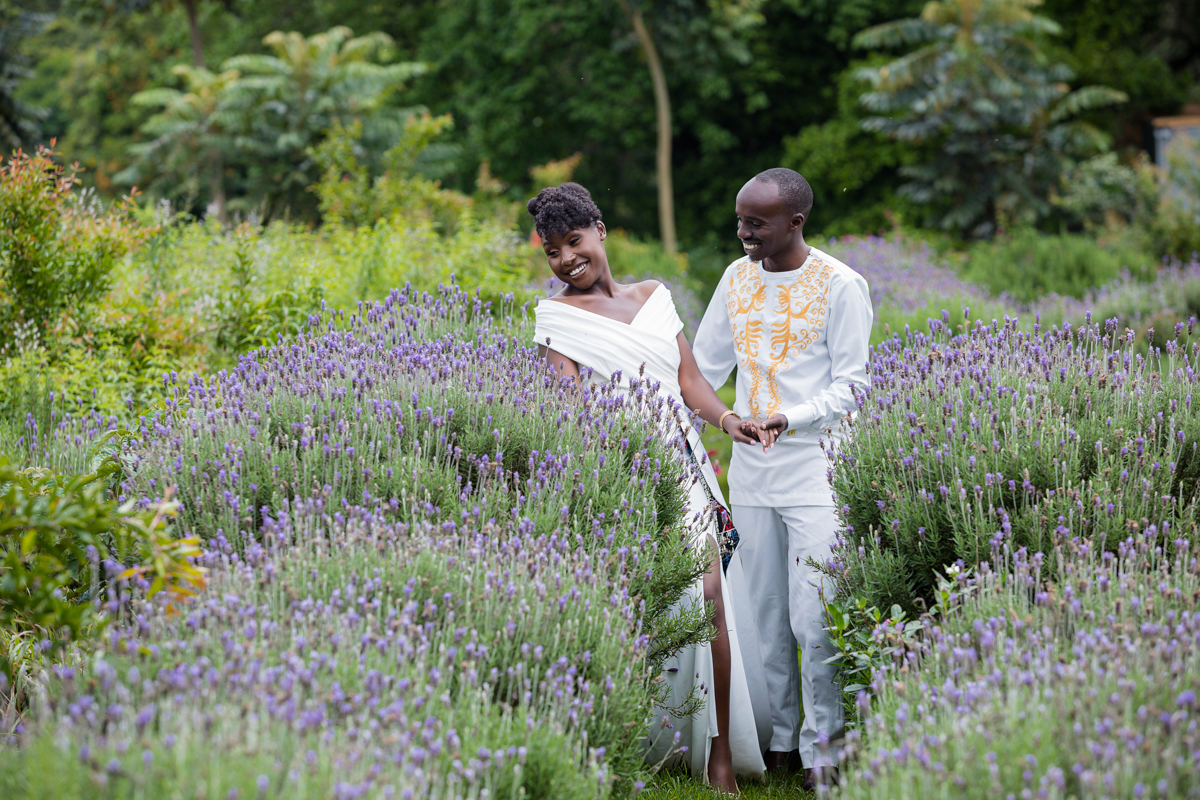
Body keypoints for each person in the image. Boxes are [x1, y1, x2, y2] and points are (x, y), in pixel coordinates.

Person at [529, 182, 768, 794]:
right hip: (621, 473)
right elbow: (569, 409)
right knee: (633, 609)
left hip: (683, 466)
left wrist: (729, 421)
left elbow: (688, 380)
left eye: (573, 241)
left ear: (600, 230)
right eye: (552, 251)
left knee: (710, 599)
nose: (566, 259)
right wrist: (607, 471)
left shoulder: (656, 297)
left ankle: (718, 753)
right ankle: (626, 739)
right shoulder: (554, 318)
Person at [692, 168, 873, 788]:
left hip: (819, 472)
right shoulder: (735, 279)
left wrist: (787, 417)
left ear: (796, 222)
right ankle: (778, 745)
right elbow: (704, 368)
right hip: (751, 476)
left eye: (756, 223)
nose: (742, 232)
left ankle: (826, 748)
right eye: (740, 219)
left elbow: (853, 385)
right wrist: (723, 417)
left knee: (816, 617)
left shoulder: (841, 285)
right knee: (765, 615)